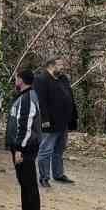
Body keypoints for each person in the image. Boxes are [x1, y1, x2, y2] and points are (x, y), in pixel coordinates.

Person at [2, 68, 42, 210]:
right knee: (24, 182)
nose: (14, 81)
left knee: (29, 182)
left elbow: (25, 126)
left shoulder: (27, 98)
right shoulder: (24, 96)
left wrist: (19, 149)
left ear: (21, 80)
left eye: (16, 78)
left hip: (25, 148)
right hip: (21, 147)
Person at [34, 59, 75, 188]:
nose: (62, 67)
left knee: (59, 149)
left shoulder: (63, 79)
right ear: (51, 66)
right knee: (46, 150)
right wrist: (44, 120)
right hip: (50, 122)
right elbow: (41, 102)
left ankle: (58, 174)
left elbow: (70, 97)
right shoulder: (41, 79)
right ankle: (44, 177)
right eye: (60, 65)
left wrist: (73, 117)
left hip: (63, 122)